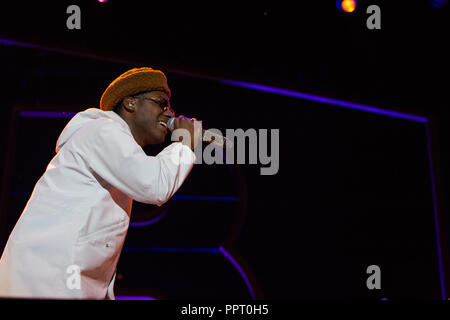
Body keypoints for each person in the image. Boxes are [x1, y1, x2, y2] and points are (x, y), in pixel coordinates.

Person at [0, 67, 200, 299]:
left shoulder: (114, 145)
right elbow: (154, 185)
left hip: (60, 279)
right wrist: (184, 144)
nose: (169, 114)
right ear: (131, 103)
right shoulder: (103, 131)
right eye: (161, 104)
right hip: (48, 279)